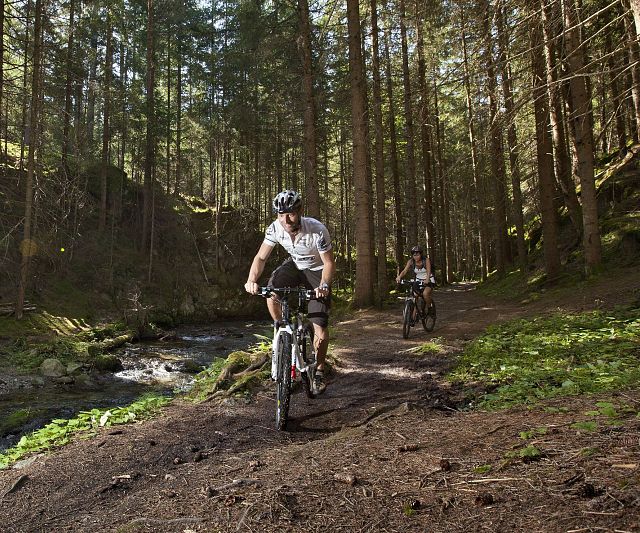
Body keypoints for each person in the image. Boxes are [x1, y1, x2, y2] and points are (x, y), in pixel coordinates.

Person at [244, 190, 335, 394]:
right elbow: (260, 258)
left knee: (319, 326)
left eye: (290, 214)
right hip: (294, 265)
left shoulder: (317, 230)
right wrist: (251, 280)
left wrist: (324, 285)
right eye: (280, 214)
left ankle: (319, 371)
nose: (285, 219)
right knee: (271, 291)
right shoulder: (275, 228)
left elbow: (329, 263)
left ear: (299, 211)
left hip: (317, 271)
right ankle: (281, 331)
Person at [395, 245, 434, 318]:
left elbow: (429, 271)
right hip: (418, 280)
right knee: (414, 296)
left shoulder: (426, 260)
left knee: (425, 294)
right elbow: (404, 271)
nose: (416, 256)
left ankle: (429, 308)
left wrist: (427, 279)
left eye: (418, 254)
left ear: (421, 254)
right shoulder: (410, 261)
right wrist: (399, 276)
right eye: (414, 255)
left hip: (429, 279)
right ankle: (412, 317)